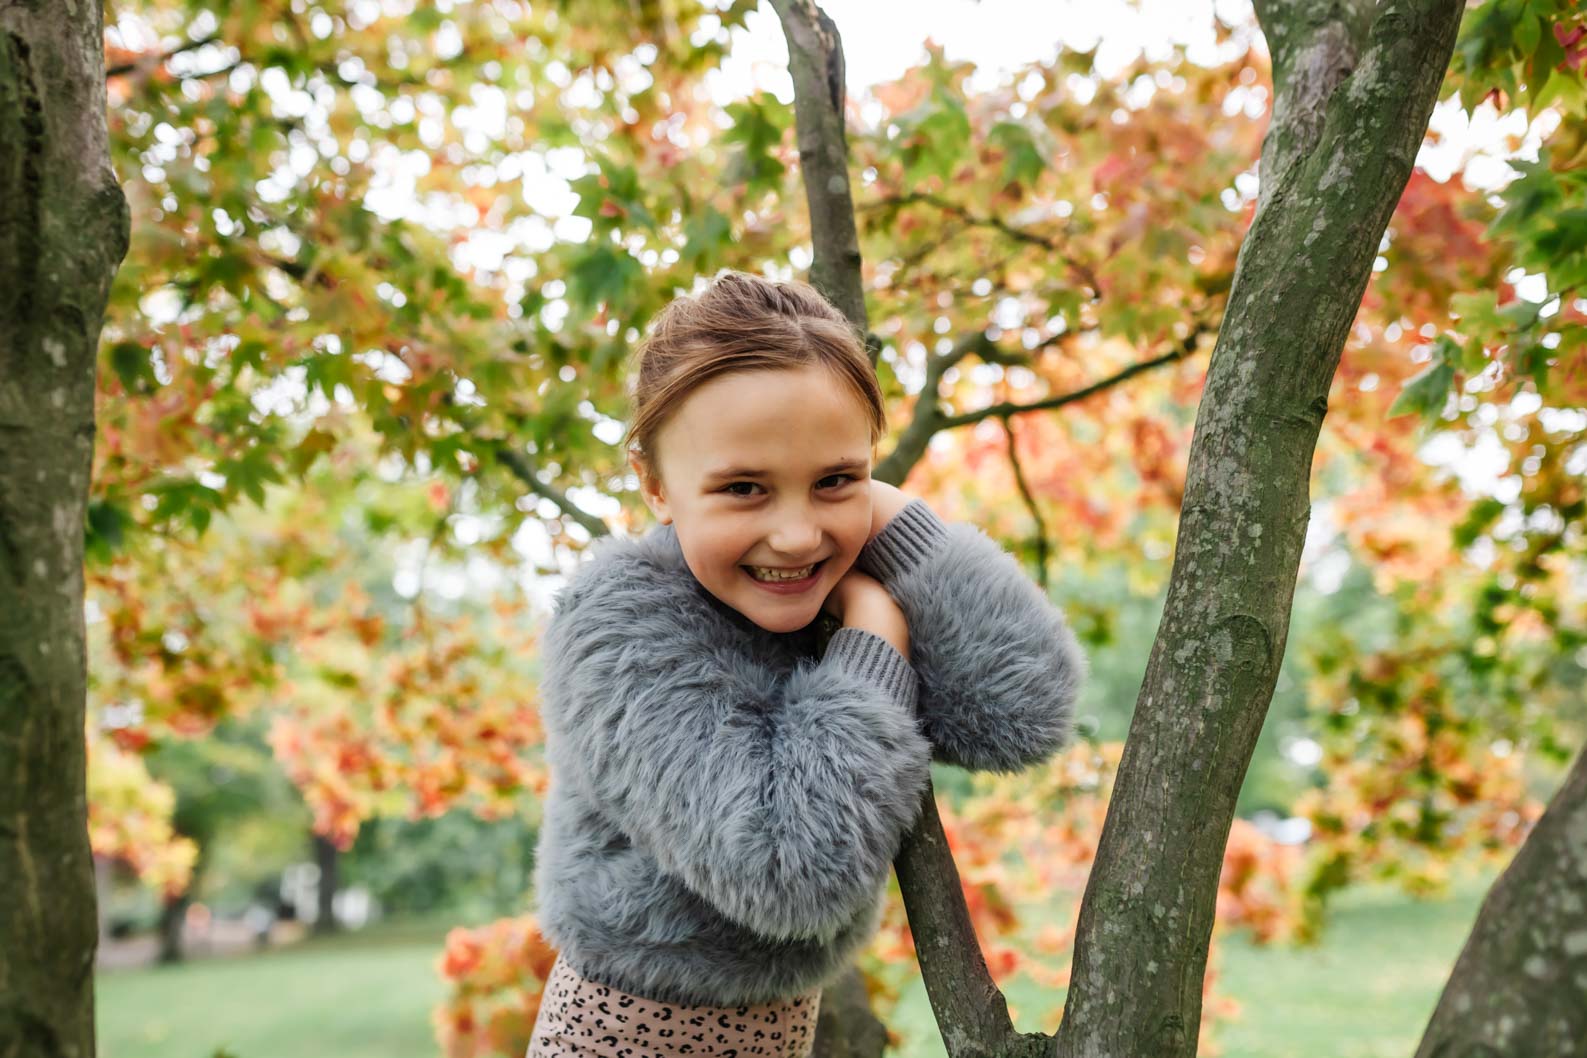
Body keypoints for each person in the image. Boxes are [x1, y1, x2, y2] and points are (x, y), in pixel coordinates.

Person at [526, 270, 1088, 1057]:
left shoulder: (823, 573)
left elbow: (1018, 719)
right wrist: (874, 635)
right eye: (745, 488)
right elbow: (791, 873)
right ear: (655, 485)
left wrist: (901, 535)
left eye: (833, 479)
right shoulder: (620, 622)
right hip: (624, 1039)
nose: (795, 535)